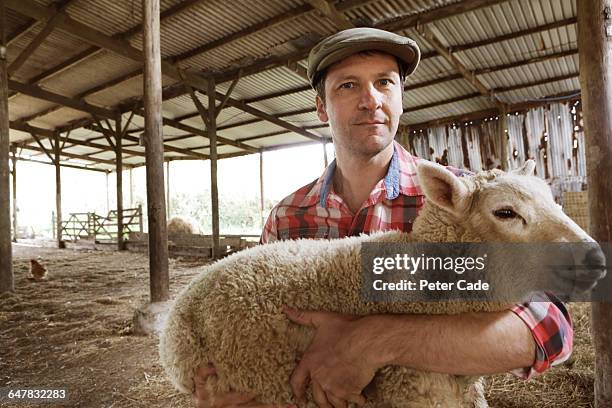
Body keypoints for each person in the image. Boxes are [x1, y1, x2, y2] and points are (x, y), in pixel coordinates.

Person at [191, 28, 573, 408]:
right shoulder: (288, 217)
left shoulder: (460, 200)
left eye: (385, 82)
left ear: (401, 98)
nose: (370, 100)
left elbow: (550, 329)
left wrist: (375, 340)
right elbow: (263, 322)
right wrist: (228, 386)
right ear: (321, 107)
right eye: (347, 86)